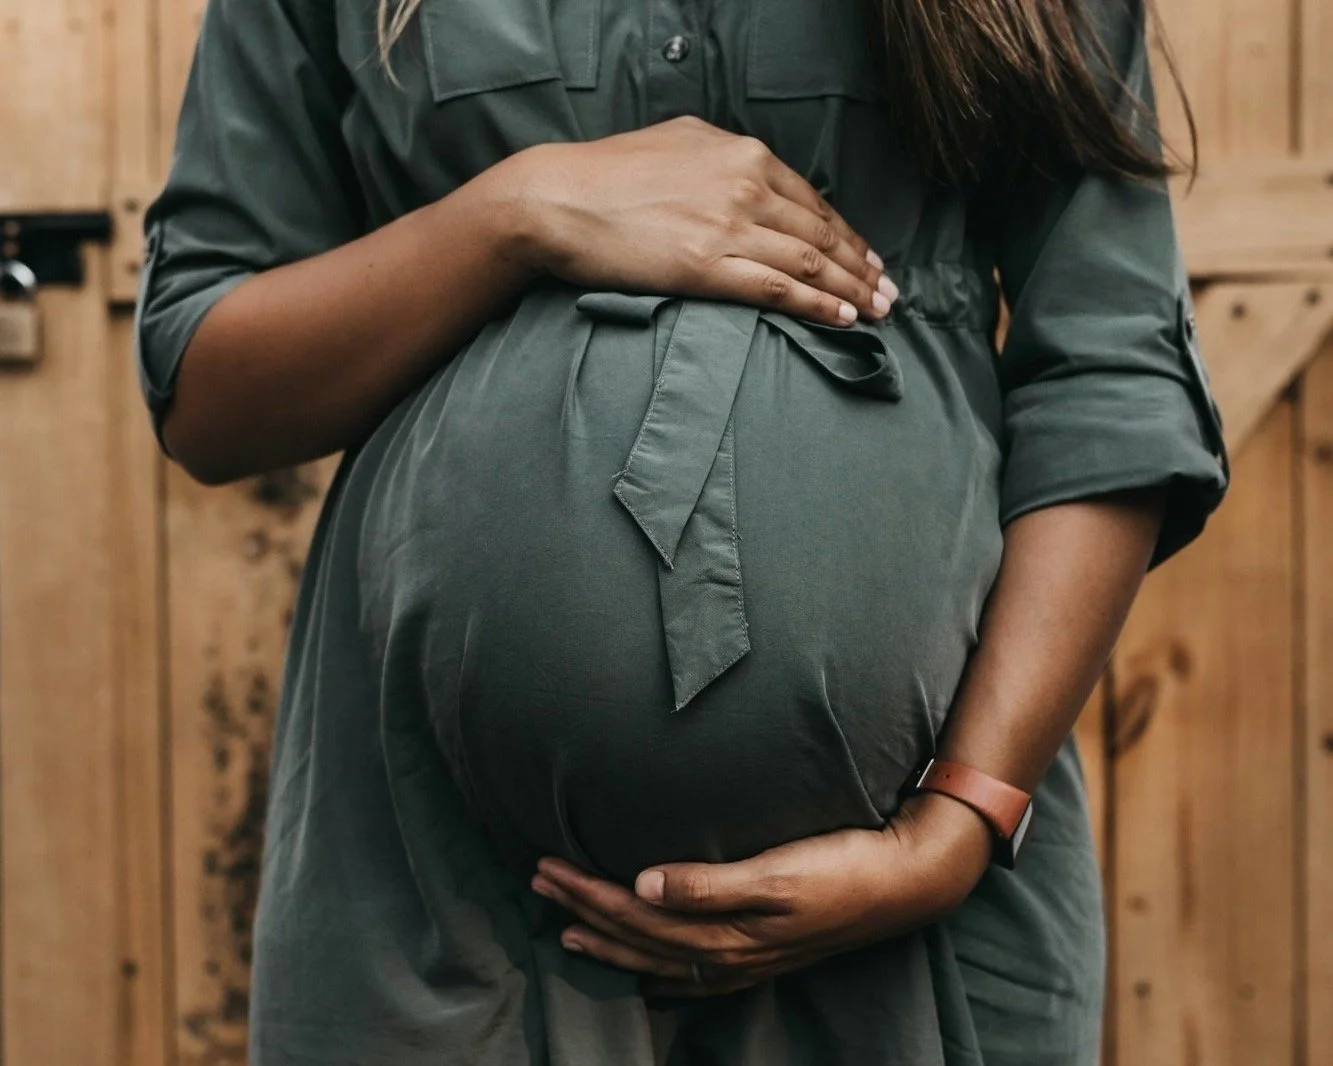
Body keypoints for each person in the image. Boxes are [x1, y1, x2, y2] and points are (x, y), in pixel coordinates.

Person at [135, 0, 1229, 1062]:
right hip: (444, 916)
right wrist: (512, 214)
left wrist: (959, 822)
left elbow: (1108, 369)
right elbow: (209, 392)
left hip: (916, 930)